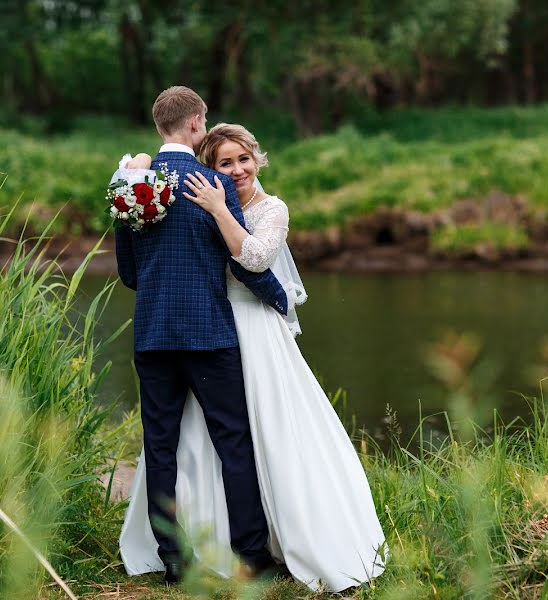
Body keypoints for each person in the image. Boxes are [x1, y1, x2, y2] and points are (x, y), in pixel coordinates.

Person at [119, 123, 387, 592]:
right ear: (211, 165)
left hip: (250, 331)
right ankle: (214, 545)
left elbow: (257, 261)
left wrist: (278, 297)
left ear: (257, 160)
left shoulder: (264, 206)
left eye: (244, 159)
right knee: (200, 442)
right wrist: (136, 171)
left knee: (267, 433)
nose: (237, 169)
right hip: (214, 332)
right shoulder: (200, 195)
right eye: (226, 162)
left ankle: (276, 539)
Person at [113, 86, 289, 586]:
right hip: (209, 333)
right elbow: (240, 257)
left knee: (161, 446)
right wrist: (278, 297)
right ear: (195, 123)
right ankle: (251, 557)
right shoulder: (213, 184)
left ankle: (173, 559)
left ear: (159, 126)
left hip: (152, 334)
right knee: (233, 442)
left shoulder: (130, 187)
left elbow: (128, 272)